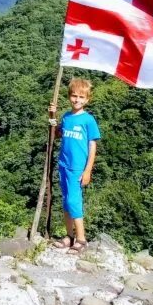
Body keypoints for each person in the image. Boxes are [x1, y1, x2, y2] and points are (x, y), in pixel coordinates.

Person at [48, 77, 100, 253]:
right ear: (69, 96)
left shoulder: (88, 120)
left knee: (73, 201)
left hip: (77, 168)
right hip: (64, 164)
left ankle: (81, 239)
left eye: (81, 97)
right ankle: (69, 236)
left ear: (87, 99)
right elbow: (56, 134)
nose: (77, 100)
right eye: (74, 96)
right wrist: (52, 116)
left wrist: (87, 171)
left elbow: (92, 146)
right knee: (66, 202)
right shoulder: (67, 117)